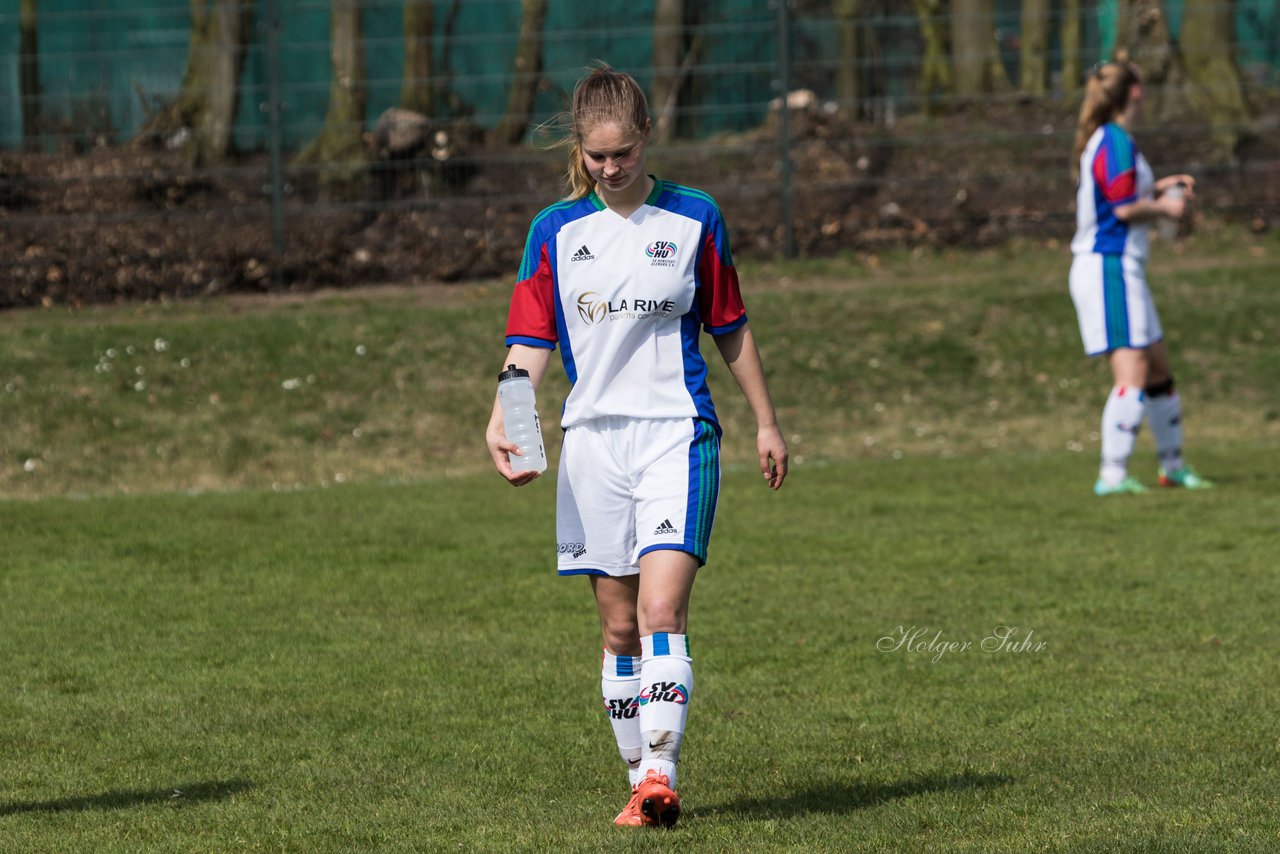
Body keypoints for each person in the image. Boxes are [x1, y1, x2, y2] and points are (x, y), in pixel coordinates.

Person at [485, 65, 788, 828]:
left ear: (647, 136)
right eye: (597, 157)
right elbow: (528, 340)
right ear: (581, 153)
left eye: (622, 153)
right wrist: (506, 418)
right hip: (592, 445)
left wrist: (767, 420)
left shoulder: (694, 219)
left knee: (662, 609)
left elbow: (731, 325)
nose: (612, 168)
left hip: (677, 439)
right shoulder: (555, 232)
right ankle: (636, 780)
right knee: (619, 628)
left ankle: (660, 772)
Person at [1068, 61, 1213, 495]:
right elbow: (1123, 210)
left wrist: (1159, 189)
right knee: (1131, 375)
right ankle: (1112, 475)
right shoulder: (1113, 140)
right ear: (1134, 92)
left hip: (1124, 265)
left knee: (1158, 373)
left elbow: (1125, 197)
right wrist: (1166, 209)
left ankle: (1172, 468)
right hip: (1107, 265)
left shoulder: (1118, 141)